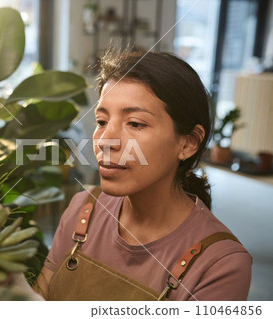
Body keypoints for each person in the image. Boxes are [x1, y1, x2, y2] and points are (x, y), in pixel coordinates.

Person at [34, 50, 252, 301]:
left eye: (135, 123)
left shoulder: (220, 265)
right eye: (102, 121)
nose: (105, 141)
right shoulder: (82, 208)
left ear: (188, 143)